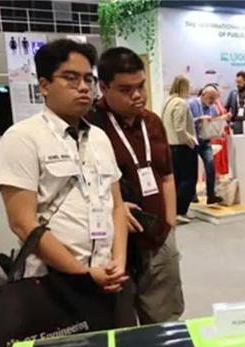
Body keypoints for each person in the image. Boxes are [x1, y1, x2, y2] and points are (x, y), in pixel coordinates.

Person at [0, 39, 128, 293]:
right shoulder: (22, 137)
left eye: (88, 79)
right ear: (44, 85)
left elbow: (117, 205)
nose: (83, 87)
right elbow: (22, 222)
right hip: (51, 281)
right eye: (71, 78)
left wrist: (119, 261)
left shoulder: (99, 138)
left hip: (106, 273)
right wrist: (83, 274)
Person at [92, 47, 184, 324]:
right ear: (104, 87)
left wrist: (170, 224)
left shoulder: (152, 122)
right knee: (121, 324)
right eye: (125, 89)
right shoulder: (91, 126)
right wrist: (116, 208)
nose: (137, 95)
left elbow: (166, 175)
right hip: (114, 246)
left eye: (141, 86)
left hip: (158, 239)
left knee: (165, 320)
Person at [162, 75, 198, 224]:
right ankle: (180, 210)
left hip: (171, 146)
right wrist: (190, 142)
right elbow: (180, 128)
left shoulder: (167, 102)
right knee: (188, 180)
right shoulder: (180, 103)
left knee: (176, 179)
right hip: (182, 146)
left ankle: (175, 210)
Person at [188, 85, 228, 205]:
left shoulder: (213, 108)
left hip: (205, 141)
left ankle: (211, 194)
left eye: (214, 98)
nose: (212, 101)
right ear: (203, 95)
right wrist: (199, 119)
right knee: (192, 168)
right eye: (210, 98)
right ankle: (192, 194)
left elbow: (213, 124)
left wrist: (219, 131)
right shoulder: (192, 104)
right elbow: (186, 122)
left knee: (210, 164)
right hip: (193, 140)